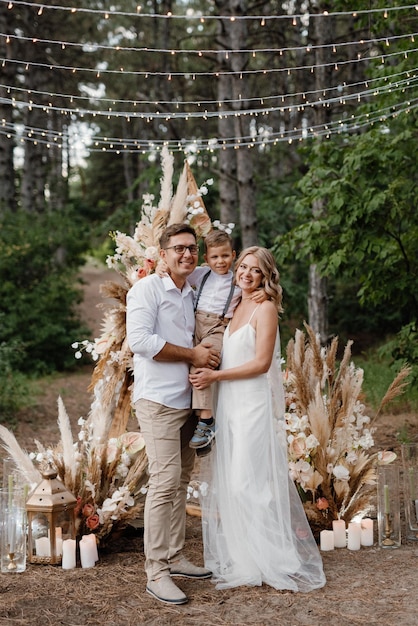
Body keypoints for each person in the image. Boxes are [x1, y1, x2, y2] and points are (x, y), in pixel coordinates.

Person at [189, 246, 326, 592]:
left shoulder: (264, 309)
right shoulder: (236, 303)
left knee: (247, 482)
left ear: (266, 276)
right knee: (233, 482)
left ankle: (267, 556)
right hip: (228, 405)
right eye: (243, 267)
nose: (246, 274)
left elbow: (262, 364)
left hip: (250, 405)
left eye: (255, 271)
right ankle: (243, 555)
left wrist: (215, 378)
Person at [126, 223, 221, 606]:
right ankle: (156, 573)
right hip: (158, 401)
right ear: (162, 254)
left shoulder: (191, 292)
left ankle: (175, 555)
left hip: (187, 400)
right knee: (164, 482)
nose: (187, 254)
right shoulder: (146, 290)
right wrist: (193, 355)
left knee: (181, 480)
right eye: (179, 248)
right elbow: (141, 342)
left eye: (192, 249)